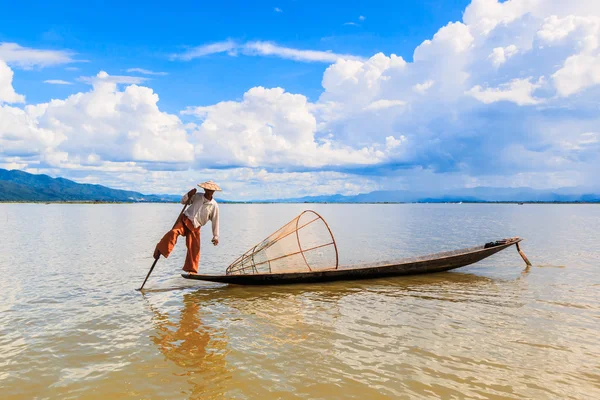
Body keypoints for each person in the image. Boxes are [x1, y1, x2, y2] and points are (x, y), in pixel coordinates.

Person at [153, 180, 221, 274]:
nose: (209, 191)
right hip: (185, 220)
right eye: (207, 189)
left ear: (214, 191)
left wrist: (215, 236)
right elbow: (183, 201)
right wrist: (188, 194)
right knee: (173, 233)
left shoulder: (214, 206)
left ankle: (191, 270)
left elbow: (215, 221)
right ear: (204, 189)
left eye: (211, 190)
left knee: (194, 249)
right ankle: (160, 249)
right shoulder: (197, 196)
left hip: (195, 227)